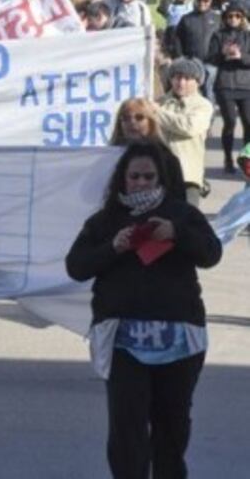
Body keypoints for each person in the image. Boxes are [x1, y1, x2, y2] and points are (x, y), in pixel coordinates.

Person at [65, 142, 221, 479]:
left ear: (160, 178)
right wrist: (113, 247)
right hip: (122, 343)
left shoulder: (181, 213)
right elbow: (76, 266)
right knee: (127, 431)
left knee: (172, 428)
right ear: (123, 179)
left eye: (148, 177)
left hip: (179, 341)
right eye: (134, 176)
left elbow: (211, 253)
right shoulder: (105, 221)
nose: (140, 183)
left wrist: (177, 234)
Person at [153, 59, 213, 207]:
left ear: (197, 82)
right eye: (177, 77)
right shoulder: (159, 102)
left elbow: (189, 127)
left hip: (188, 174)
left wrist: (157, 113)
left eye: (187, 78)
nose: (181, 82)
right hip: (160, 173)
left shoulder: (202, 105)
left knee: (187, 222)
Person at [110, 98, 185, 200]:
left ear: (151, 122)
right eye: (126, 118)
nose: (132, 122)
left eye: (139, 117)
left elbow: (178, 201)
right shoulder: (108, 158)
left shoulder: (167, 159)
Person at [207, 0, 250, 173]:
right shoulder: (218, 35)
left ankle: (246, 159)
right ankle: (227, 159)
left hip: (246, 85)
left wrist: (241, 57)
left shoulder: (248, 36)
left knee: (249, 122)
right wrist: (223, 54)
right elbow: (210, 58)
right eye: (230, 16)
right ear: (225, 18)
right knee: (230, 121)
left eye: (237, 16)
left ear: (242, 18)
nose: (234, 19)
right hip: (225, 85)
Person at [173, 0, 221, 102]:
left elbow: (224, 39)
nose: (202, 3)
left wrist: (218, 58)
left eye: (206, 0)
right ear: (195, 0)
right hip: (192, 62)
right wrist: (180, 57)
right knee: (189, 93)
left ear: (211, 1)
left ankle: (208, 118)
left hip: (211, 63)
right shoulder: (186, 19)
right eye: (199, 0)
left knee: (208, 92)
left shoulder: (218, 19)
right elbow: (177, 39)